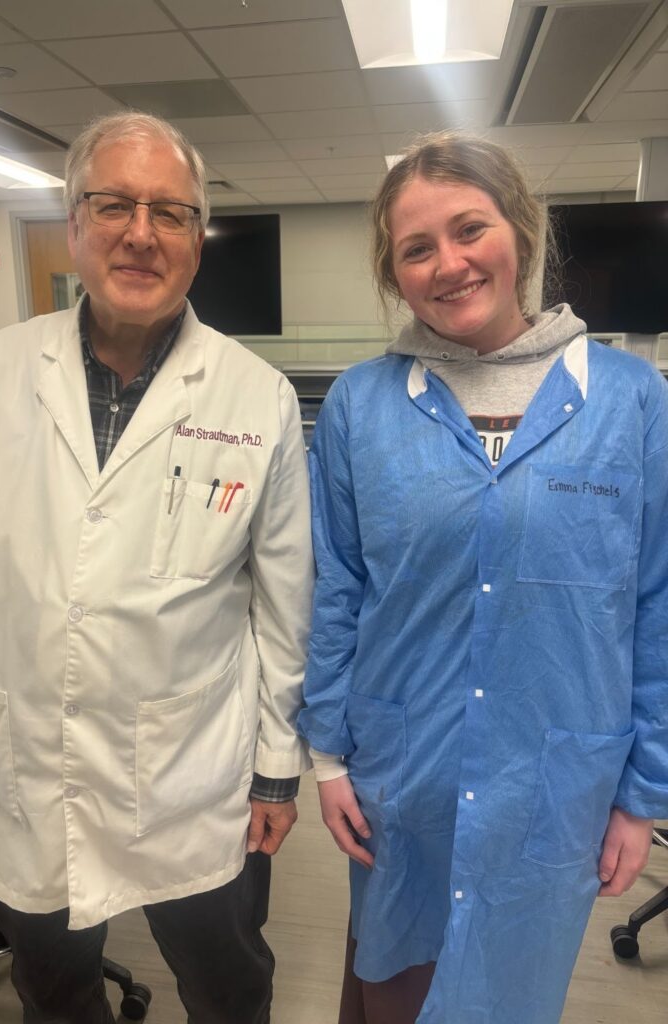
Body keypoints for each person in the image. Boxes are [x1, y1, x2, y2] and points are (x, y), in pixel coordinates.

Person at [0, 111, 313, 1024]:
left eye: (170, 212)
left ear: (198, 237)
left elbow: (288, 607)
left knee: (230, 986)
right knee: (51, 986)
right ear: (75, 219)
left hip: (196, 775)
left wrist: (277, 769)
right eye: (115, 204)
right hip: (24, 763)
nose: (141, 232)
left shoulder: (257, 397)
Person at [298, 131, 668, 1024]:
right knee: (392, 982)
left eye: (470, 229)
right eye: (416, 248)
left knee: (510, 995)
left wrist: (644, 793)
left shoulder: (634, 399)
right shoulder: (360, 404)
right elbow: (337, 589)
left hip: (552, 782)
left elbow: (656, 604)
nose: (449, 263)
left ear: (522, 233)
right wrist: (326, 756)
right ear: (395, 272)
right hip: (401, 771)